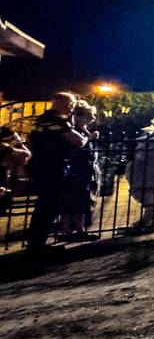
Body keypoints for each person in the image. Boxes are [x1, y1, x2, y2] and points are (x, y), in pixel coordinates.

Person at [24, 93, 88, 251]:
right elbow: (78, 141)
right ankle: (37, 244)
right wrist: (88, 136)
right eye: (71, 104)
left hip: (42, 165)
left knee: (44, 205)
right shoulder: (57, 121)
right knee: (49, 206)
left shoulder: (41, 119)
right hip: (53, 167)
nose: (72, 107)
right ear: (63, 103)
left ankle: (36, 242)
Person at [59, 101, 101, 241]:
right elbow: (78, 145)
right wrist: (90, 138)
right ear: (79, 116)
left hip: (83, 169)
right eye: (90, 116)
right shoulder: (73, 129)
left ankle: (77, 229)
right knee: (76, 200)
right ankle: (72, 230)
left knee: (82, 200)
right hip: (77, 170)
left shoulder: (82, 129)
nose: (93, 119)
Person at [1, 126, 32, 214]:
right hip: (6, 164)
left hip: (10, 165)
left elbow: (24, 150)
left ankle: (4, 203)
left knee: (21, 181)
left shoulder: (8, 132)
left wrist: (25, 154)